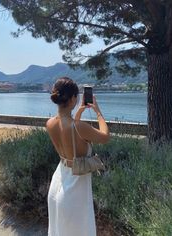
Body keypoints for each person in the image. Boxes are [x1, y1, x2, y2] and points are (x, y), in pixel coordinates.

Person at [46, 77, 110, 236]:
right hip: (75, 189)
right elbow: (105, 137)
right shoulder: (79, 127)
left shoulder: (50, 123)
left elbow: (72, 132)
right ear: (74, 98)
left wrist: (79, 111)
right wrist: (98, 112)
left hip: (58, 183)